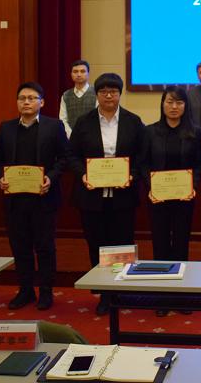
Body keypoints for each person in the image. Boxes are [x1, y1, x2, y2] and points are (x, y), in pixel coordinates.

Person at [70, 72, 146, 315]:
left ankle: (121, 289)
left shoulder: (133, 121)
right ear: (97, 94)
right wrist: (83, 174)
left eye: (113, 91)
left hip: (123, 196)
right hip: (91, 196)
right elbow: (72, 155)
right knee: (97, 243)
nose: (109, 95)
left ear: (120, 94)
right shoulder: (84, 122)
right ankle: (104, 292)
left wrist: (132, 175)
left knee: (122, 243)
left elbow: (142, 156)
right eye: (103, 91)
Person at [0, 82, 72, 311]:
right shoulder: (6, 127)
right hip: (15, 199)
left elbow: (64, 158)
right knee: (20, 247)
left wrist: (51, 178)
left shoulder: (54, 126)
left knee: (45, 247)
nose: (26, 102)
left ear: (42, 102)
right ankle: (25, 290)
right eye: (22, 98)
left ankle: (46, 291)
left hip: (43, 197)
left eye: (31, 98)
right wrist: (1, 177)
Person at [143, 86, 201, 263]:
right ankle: (161, 277)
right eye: (170, 102)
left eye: (179, 102)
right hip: (158, 197)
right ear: (162, 104)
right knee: (159, 241)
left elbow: (199, 164)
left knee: (181, 242)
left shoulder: (194, 132)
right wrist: (151, 186)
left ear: (185, 105)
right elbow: (143, 163)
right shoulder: (150, 132)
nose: (174, 107)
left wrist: (192, 186)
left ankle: (181, 277)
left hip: (184, 197)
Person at [59, 59, 95, 138]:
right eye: (75, 72)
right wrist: (72, 135)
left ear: (88, 74)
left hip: (93, 137)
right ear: (71, 74)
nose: (79, 74)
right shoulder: (66, 95)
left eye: (82, 71)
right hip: (71, 138)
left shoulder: (96, 93)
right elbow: (63, 119)